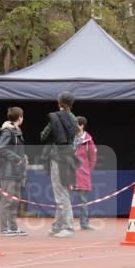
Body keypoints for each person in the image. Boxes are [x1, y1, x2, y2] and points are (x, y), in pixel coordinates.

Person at [40, 92, 79, 237]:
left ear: (59, 102)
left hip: (57, 156)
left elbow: (43, 135)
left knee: (60, 193)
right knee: (64, 191)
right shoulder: (75, 118)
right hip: (69, 157)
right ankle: (58, 225)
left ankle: (68, 227)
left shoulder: (55, 117)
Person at [0, 107, 28, 236]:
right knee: (7, 201)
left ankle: (13, 228)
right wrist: (17, 159)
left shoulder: (17, 131)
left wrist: (24, 158)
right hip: (7, 172)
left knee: (15, 200)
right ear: (20, 118)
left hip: (16, 172)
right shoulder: (7, 131)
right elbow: (1, 148)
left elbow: (16, 150)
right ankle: (4, 229)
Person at [72, 115, 98, 231]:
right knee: (66, 199)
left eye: (75, 124)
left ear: (81, 125)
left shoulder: (88, 141)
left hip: (83, 175)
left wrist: (86, 169)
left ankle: (84, 224)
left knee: (83, 200)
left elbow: (93, 157)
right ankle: (66, 224)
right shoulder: (69, 138)